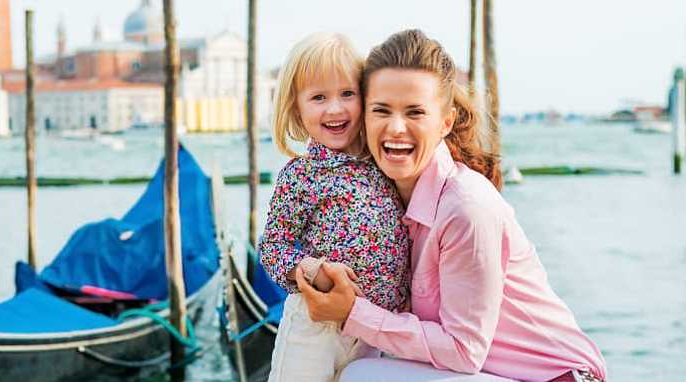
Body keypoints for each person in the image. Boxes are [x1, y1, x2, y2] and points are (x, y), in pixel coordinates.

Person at [295, 29, 607, 382]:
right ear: (364, 118)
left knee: (361, 377)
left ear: (446, 122)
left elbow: (463, 350)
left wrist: (353, 312)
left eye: (415, 112)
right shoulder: (379, 200)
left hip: (557, 378)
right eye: (381, 110)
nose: (396, 128)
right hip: (487, 374)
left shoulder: (466, 208)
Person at [258, 32, 411, 382]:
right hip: (314, 326)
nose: (335, 108)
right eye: (318, 97)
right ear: (296, 107)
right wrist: (309, 269)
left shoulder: (384, 163)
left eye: (347, 93)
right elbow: (273, 245)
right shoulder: (302, 175)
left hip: (373, 327)